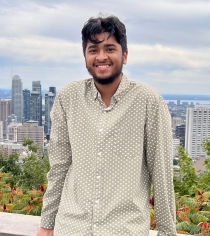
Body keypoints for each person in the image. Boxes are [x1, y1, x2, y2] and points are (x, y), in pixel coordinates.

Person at [37, 15, 177, 236]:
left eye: (110, 48)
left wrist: (167, 232)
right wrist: (47, 225)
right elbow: (59, 168)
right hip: (71, 228)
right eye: (93, 50)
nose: (101, 57)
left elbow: (161, 175)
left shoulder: (149, 101)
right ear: (85, 56)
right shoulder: (68, 97)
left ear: (125, 55)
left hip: (124, 230)